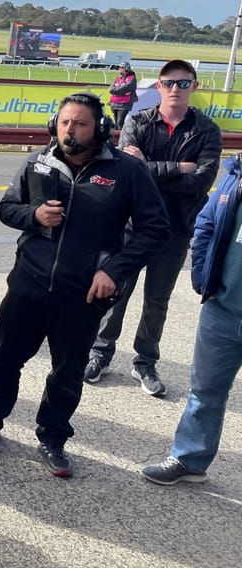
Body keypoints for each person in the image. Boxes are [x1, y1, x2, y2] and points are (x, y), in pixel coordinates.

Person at [0, 93, 168, 478]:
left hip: (83, 295)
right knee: (4, 357)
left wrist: (115, 271)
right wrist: (33, 215)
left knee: (67, 371)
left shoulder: (126, 172)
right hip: (28, 284)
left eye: (80, 123)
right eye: (65, 122)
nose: (70, 130)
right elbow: (6, 208)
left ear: (100, 128)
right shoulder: (37, 162)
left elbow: (155, 230)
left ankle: (53, 436)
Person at [85, 60, 222, 396]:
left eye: (184, 83)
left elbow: (201, 181)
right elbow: (127, 171)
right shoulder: (138, 120)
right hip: (131, 225)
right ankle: (100, 353)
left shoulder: (207, 130)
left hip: (175, 228)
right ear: (159, 86)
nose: (176, 89)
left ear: (195, 86)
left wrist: (149, 168)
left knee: (157, 300)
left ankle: (145, 361)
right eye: (169, 82)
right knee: (116, 290)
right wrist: (178, 168)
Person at [141, 152, 242, 486]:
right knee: (204, 392)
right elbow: (207, 222)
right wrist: (203, 276)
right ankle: (189, 459)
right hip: (223, 309)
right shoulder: (238, 174)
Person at [107, 62, 138, 130]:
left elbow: (127, 88)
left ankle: (122, 139)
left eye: (122, 67)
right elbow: (111, 89)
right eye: (119, 67)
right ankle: (115, 139)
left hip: (124, 104)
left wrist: (116, 91)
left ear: (127, 69)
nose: (120, 69)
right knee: (115, 124)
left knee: (120, 122)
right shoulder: (118, 78)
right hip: (114, 103)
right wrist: (120, 92)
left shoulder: (131, 78)